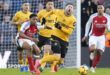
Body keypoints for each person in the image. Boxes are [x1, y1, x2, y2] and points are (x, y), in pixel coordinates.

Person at [35, 3, 76, 72]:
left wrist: (60, 27)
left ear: (73, 10)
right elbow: (52, 11)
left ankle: (53, 65)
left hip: (65, 40)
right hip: (55, 36)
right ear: (65, 8)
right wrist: (45, 17)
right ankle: (39, 62)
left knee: (60, 61)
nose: (70, 8)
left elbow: (69, 32)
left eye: (71, 7)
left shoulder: (73, 20)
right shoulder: (59, 11)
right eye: (68, 7)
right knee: (56, 56)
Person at [82, 5, 110, 73]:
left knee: (100, 53)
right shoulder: (93, 16)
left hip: (102, 37)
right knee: (93, 48)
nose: (100, 9)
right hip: (93, 35)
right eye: (98, 8)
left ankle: (93, 67)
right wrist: (86, 35)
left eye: (101, 8)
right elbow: (88, 24)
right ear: (97, 9)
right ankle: (92, 52)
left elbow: (109, 28)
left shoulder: (108, 17)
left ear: (103, 9)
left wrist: (107, 28)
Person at [37, 0, 57, 71]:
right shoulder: (41, 12)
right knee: (36, 52)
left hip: (50, 36)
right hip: (41, 35)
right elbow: (36, 21)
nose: (50, 6)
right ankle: (30, 66)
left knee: (46, 51)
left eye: (52, 4)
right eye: (49, 4)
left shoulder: (56, 13)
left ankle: (42, 67)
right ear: (46, 5)